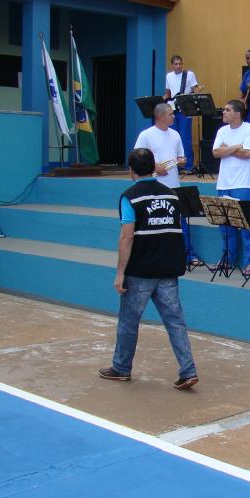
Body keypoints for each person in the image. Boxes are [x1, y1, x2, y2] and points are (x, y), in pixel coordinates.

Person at [98, 148, 197, 389]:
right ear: (154, 168)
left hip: (140, 271)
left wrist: (120, 273)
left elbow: (127, 237)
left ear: (130, 171)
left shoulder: (129, 197)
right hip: (168, 269)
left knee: (128, 322)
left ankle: (121, 368)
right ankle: (188, 371)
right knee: (175, 322)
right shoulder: (172, 195)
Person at [134, 103, 203, 269]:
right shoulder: (146, 135)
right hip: (154, 186)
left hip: (173, 186)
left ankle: (188, 255)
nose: (173, 116)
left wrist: (182, 161)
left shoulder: (175, 135)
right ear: (160, 116)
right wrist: (154, 166)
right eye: (170, 114)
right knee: (156, 221)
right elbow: (136, 158)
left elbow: (180, 157)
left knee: (180, 221)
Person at [212, 100, 250, 274]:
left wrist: (227, 149)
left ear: (238, 114)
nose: (223, 112)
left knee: (247, 225)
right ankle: (228, 260)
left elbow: (248, 153)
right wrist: (236, 147)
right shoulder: (222, 131)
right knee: (225, 225)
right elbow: (215, 153)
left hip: (244, 184)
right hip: (224, 183)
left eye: (227, 110)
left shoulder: (249, 129)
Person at [163, 55, 199, 171]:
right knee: (173, 137)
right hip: (173, 109)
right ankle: (175, 166)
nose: (178, 66)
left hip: (185, 108)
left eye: (180, 64)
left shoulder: (189, 74)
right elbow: (168, 93)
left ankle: (188, 166)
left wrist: (196, 94)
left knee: (185, 138)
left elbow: (196, 89)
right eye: (176, 64)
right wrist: (161, 100)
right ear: (172, 65)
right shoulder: (169, 76)